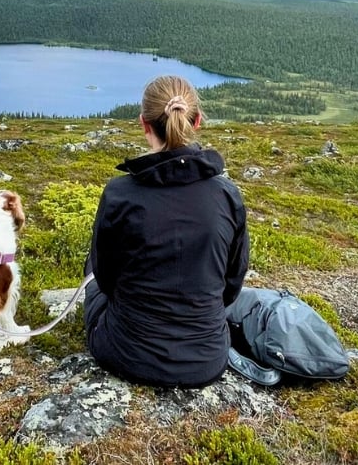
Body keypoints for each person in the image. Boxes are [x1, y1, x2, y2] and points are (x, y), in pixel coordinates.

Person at [84, 75, 249, 388]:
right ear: (196, 120)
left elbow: (106, 281)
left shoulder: (120, 195)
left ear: (144, 125)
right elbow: (231, 285)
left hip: (125, 353)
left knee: (92, 267)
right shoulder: (227, 196)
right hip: (208, 359)